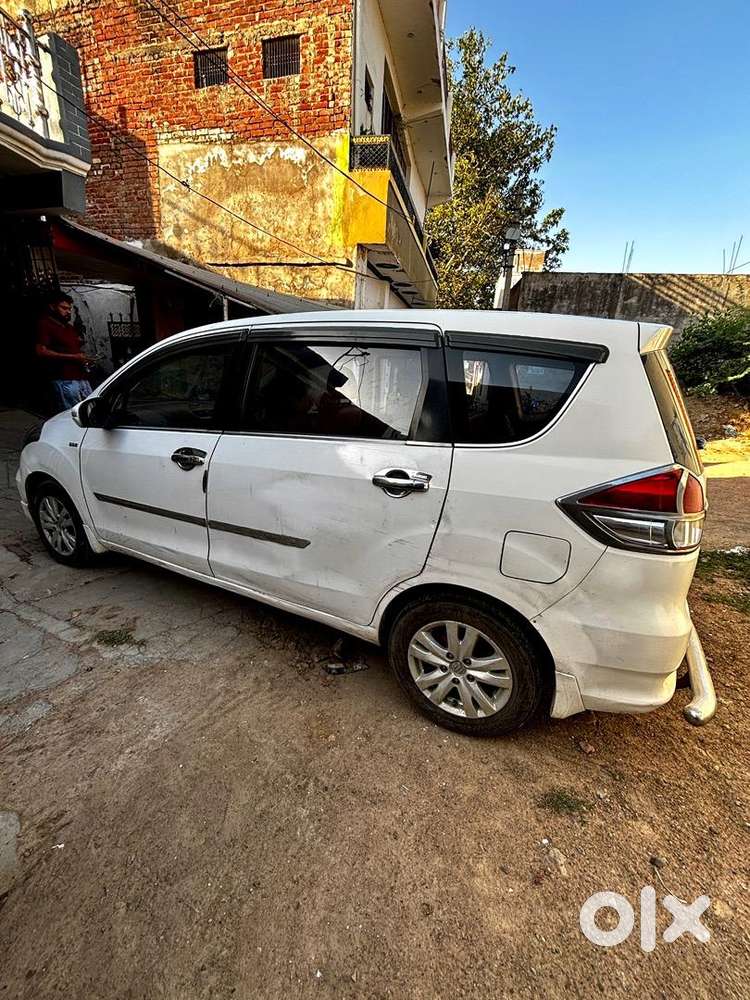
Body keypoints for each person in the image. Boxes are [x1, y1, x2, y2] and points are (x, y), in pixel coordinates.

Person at [35, 291, 94, 412]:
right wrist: (73, 357)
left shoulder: (69, 328)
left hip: (81, 378)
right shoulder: (45, 325)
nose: (68, 311)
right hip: (64, 379)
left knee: (89, 412)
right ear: (52, 307)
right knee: (72, 415)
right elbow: (41, 351)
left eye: (70, 308)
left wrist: (84, 359)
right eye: (64, 308)